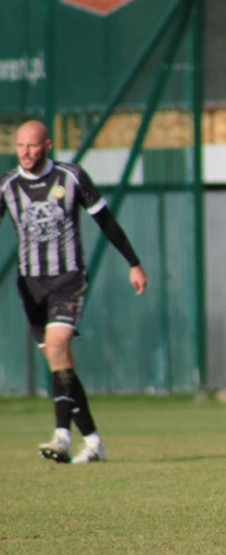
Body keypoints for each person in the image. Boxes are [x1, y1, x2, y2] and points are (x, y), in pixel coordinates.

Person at [1, 120, 148, 464]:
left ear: (47, 146)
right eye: (20, 145)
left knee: (57, 347)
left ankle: (62, 437)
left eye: (32, 145)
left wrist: (134, 263)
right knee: (60, 362)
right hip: (30, 285)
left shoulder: (71, 177)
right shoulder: (7, 185)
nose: (25, 152)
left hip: (68, 278)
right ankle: (93, 442)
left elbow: (105, 220)